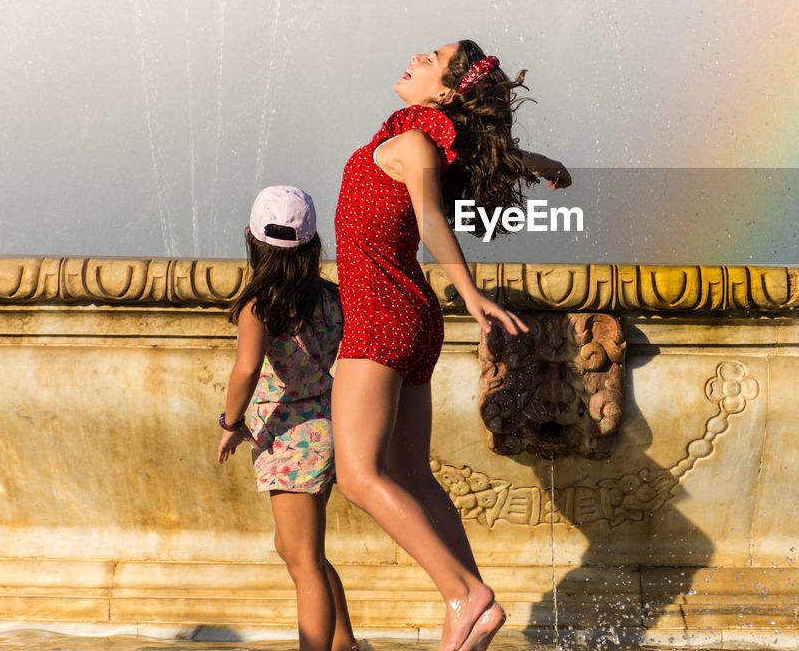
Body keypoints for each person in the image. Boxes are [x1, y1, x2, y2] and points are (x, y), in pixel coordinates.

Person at [331, 40, 571, 651]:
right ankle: (469, 608)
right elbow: (476, 156)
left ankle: (464, 594)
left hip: (381, 314)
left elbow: (434, 220)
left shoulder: (412, 145)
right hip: (408, 315)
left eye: (430, 56)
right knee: (412, 473)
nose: (413, 54)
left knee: (359, 476)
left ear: (445, 92)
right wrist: (531, 161)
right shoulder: (427, 145)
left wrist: (468, 291)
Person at [216, 185, 357, 651]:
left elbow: (246, 369)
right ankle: (344, 644)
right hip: (326, 424)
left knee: (304, 562)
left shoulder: (260, 307)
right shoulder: (333, 299)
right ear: (313, 245)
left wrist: (229, 424)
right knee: (297, 550)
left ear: (253, 243)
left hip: (290, 439)